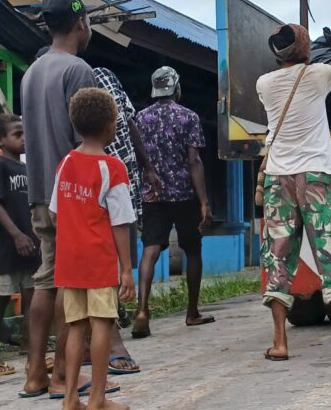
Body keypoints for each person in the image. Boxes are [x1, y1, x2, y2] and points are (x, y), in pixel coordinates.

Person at [257, 24, 331, 359]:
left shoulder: (264, 84)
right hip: (316, 176)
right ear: (304, 48)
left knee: (277, 255)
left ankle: (280, 343)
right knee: (329, 250)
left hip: (278, 177)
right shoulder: (319, 75)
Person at [20, 0, 98, 398]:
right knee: (72, 285)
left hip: (39, 194)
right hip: (71, 195)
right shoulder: (78, 70)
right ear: (81, 22)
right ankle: (64, 376)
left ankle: (34, 373)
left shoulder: (31, 72)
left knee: (46, 279)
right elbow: (85, 141)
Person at [52, 88, 136, 410]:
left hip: (69, 261)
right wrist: (125, 269)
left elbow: (56, 212)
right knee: (102, 325)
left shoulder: (65, 164)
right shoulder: (112, 168)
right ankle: (98, 399)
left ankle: (71, 399)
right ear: (111, 126)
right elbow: (121, 223)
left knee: (76, 328)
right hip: (98, 261)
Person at [131, 66, 212, 338]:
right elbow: (194, 161)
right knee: (193, 250)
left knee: (150, 249)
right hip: (184, 195)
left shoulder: (140, 119)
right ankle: (192, 312)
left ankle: (142, 309)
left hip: (153, 195)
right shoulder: (188, 116)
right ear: (177, 88)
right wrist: (203, 201)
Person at [92, 66, 160, 374]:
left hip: (121, 179)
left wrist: (145, 166)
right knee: (114, 252)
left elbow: (130, 122)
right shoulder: (106, 167)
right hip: (112, 186)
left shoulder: (106, 74)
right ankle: (114, 339)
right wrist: (124, 272)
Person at [0, 114, 38, 375]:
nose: (24, 138)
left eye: (25, 133)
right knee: (2, 296)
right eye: (18, 134)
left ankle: (30, 343)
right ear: (0, 140)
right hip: (8, 244)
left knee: (31, 294)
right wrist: (16, 235)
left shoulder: (26, 168)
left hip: (30, 243)